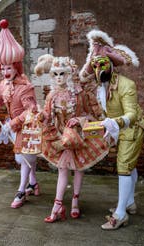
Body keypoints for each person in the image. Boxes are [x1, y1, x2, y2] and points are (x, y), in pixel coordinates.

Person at [79, 29, 144, 230]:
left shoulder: (126, 85)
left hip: (133, 127)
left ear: (112, 65)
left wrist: (113, 124)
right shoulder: (99, 88)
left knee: (123, 166)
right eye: (95, 65)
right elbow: (104, 112)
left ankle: (120, 214)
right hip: (118, 127)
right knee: (129, 165)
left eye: (102, 64)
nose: (98, 69)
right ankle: (129, 203)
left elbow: (131, 115)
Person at [34, 54, 109, 223]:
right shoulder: (51, 95)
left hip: (79, 136)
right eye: (56, 74)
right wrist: (40, 116)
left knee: (79, 169)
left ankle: (75, 201)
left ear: (69, 74)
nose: (59, 78)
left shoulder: (79, 93)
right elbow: (47, 115)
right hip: (61, 137)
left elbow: (92, 115)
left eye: (62, 74)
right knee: (63, 169)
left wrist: (80, 120)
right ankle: (57, 205)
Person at [0, 19, 40, 209]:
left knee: (25, 157)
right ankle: (33, 183)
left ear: (17, 67)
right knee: (24, 158)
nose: (6, 71)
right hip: (13, 125)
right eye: (3, 68)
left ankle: (21, 191)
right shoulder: (2, 84)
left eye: (9, 67)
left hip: (27, 126)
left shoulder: (26, 87)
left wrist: (13, 123)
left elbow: (31, 111)